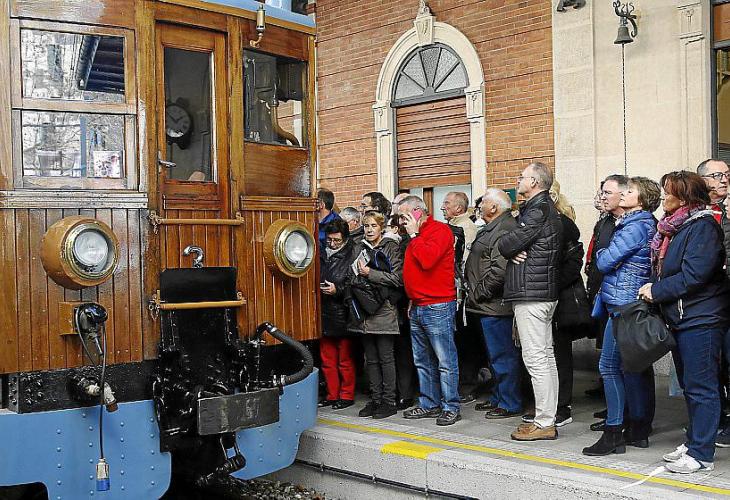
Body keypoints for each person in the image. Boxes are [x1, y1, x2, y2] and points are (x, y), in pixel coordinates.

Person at [638, 171, 730, 474]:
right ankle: (694, 442)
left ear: (685, 197)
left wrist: (657, 290)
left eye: (669, 192)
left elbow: (695, 275)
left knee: (702, 386)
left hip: (702, 317)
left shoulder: (702, 226)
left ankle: (702, 454)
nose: (664, 197)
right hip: (682, 316)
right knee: (691, 386)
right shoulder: (676, 227)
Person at [582, 177, 661, 456]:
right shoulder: (634, 223)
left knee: (610, 367)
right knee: (621, 368)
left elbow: (604, 261)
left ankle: (615, 432)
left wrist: (603, 251)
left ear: (641, 199)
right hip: (623, 303)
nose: (624, 193)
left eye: (630, 191)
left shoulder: (636, 225)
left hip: (624, 306)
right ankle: (631, 430)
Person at [498, 161, 563, 441]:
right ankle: (547, 417)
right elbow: (515, 244)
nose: (518, 180)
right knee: (545, 357)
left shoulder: (538, 210)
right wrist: (515, 248)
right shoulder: (544, 208)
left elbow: (505, 243)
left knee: (536, 359)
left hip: (532, 294)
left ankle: (544, 422)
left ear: (535, 182)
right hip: (540, 292)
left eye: (522, 176)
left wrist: (512, 247)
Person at [398, 195, 461, 425]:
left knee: (445, 360)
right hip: (418, 305)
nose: (401, 221)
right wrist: (412, 298)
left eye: (404, 216)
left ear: (417, 212)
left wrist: (415, 235)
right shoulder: (415, 235)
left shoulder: (440, 231)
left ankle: (451, 406)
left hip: (438, 305)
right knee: (422, 360)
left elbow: (427, 260)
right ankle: (429, 403)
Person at [465, 189, 522, 418]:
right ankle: (499, 397)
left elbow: (499, 271)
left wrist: (478, 293)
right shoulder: (494, 227)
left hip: (495, 306)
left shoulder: (503, 229)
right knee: (494, 357)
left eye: (484, 202)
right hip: (486, 305)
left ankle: (509, 402)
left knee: (503, 357)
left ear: (494, 207)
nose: (479, 206)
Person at [349, 211, 403, 419]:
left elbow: (397, 278)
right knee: (370, 358)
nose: (369, 230)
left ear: (382, 227)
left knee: (386, 357)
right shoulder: (359, 247)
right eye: (366, 226)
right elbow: (350, 274)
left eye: (373, 226)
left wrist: (369, 273)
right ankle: (376, 398)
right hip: (364, 308)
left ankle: (389, 401)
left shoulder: (390, 247)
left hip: (384, 308)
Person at [697, 159, 730, 446]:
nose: (724, 180)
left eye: (727, 174)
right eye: (718, 175)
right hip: (710, 300)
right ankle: (715, 419)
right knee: (712, 365)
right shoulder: (698, 214)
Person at [549, 181, 583, 428]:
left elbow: (573, 262)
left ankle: (562, 406)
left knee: (560, 354)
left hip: (559, 299)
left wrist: (552, 285)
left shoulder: (563, 224)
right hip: (545, 296)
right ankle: (549, 404)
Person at [319, 219, 358, 410]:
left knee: (345, 359)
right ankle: (332, 394)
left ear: (345, 239)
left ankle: (346, 395)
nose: (332, 244)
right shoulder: (321, 253)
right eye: (330, 240)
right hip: (324, 313)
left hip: (343, 313)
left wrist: (338, 290)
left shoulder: (353, 254)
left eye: (337, 241)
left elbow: (355, 284)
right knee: (327, 360)